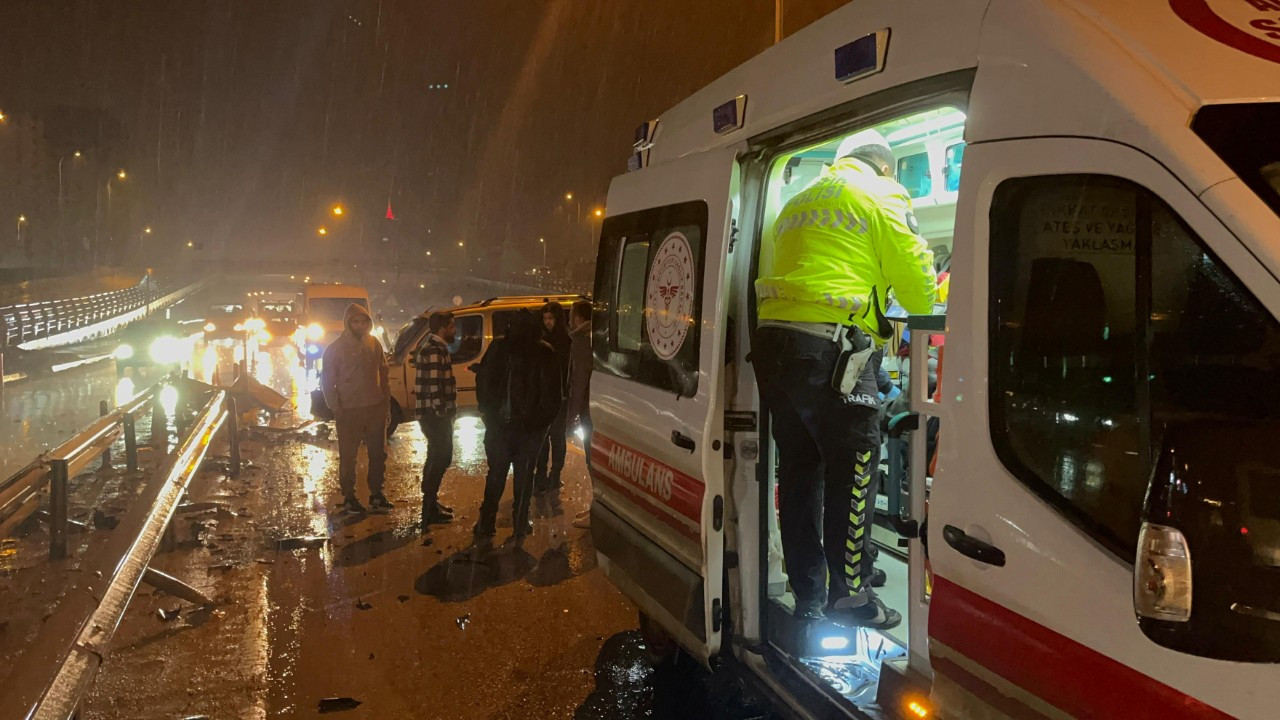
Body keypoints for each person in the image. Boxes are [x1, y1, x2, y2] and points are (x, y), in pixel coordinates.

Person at [753, 129, 937, 630]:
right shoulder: (881, 192)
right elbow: (921, 292)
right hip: (834, 350)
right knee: (854, 468)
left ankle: (810, 591)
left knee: (798, 471)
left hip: (776, 346)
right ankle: (850, 596)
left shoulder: (797, 201)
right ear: (885, 166)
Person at [473, 309, 563, 546]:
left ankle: (487, 522)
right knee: (523, 477)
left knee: (497, 475)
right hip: (527, 429)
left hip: (502, 426)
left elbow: (482, 383)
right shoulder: (544, 352)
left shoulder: (499, 349)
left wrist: (488, 413)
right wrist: (540, 425)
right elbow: (554, 397)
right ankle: (519, 523)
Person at [320, 303, 393, 515]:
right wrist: (336, 407)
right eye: (355, 321)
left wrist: (385, 402)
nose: (360, 325)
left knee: (378, 453)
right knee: (348, 455)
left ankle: (376, 494)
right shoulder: (335, 349)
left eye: (363, 321)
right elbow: (327, 381)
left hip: (374, 407)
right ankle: (349, 496)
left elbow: (384, 373)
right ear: (348, 323)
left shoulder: (374, 344)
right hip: (349, 409)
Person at [415, 311, 458, 531]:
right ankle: (429, 507)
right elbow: (434, 386)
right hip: (434, 415)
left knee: (436, 455)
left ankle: (431, 503)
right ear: (442, 328)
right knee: (441, 456)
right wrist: (443, 412)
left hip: (433, 414)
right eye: (452, 326)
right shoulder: (433, 349)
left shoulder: (437, 347)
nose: (454, 331)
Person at [534, 302, 572, 518]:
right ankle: (540, 476)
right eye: (545, 318)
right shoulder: (540, 341)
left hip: (559, 398)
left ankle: (555, 473)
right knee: (542, 439)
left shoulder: (565, 342)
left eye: (551, 318)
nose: (548, 322)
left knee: (557, 437)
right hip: (542, 398)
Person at [566, 300, 594, 529]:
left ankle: (595, 510)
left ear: (577, 318)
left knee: (592, 458)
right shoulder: (593, 336)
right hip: (593, 405)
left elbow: (579, 380)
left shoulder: (581, 341)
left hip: (588, 408)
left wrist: (572, 414)